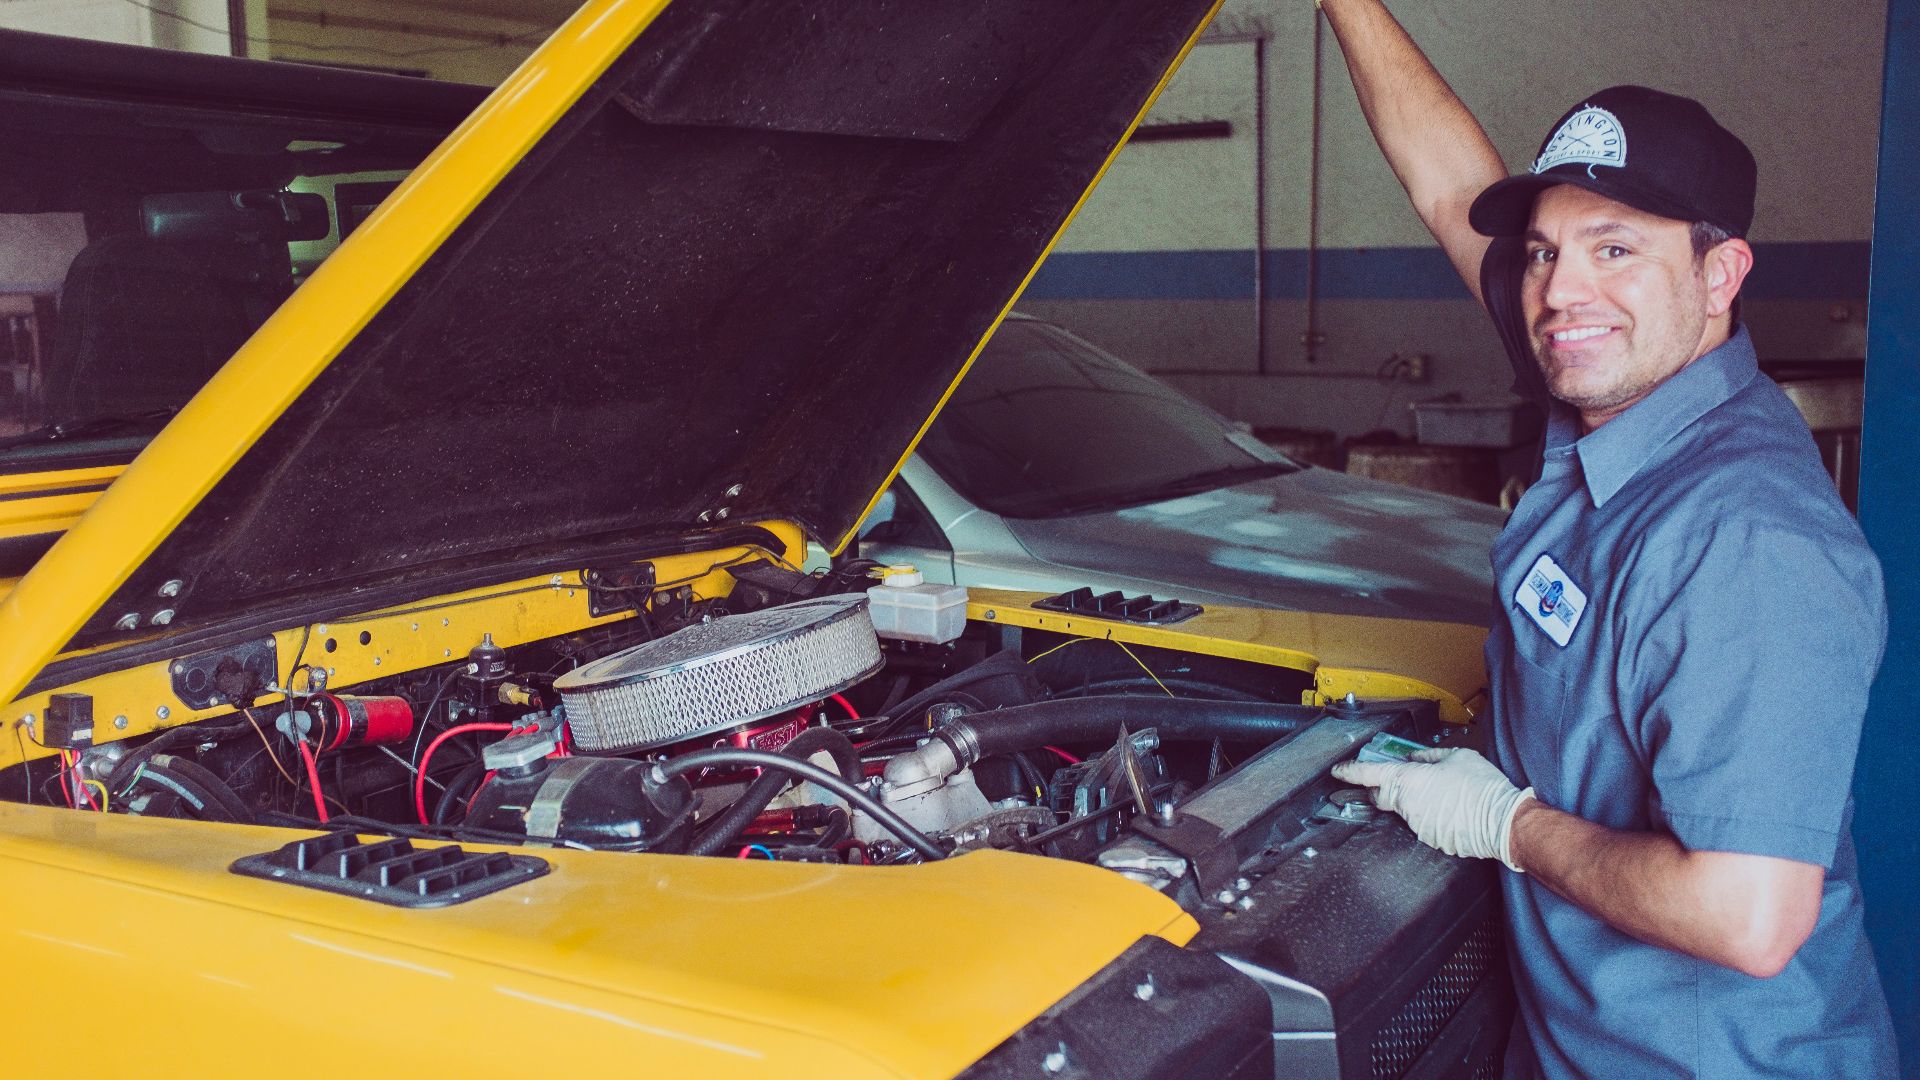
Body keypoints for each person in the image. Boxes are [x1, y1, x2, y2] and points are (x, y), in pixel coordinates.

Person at [1316, 3, 1899, 1077]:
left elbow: (1749, 917)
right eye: (1544, 252)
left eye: (1615, 247)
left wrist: (1506, 824)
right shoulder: (1624, 393)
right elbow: (1449, 190)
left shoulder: (1745, 540)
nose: (1560, 293)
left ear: (1719, 277)